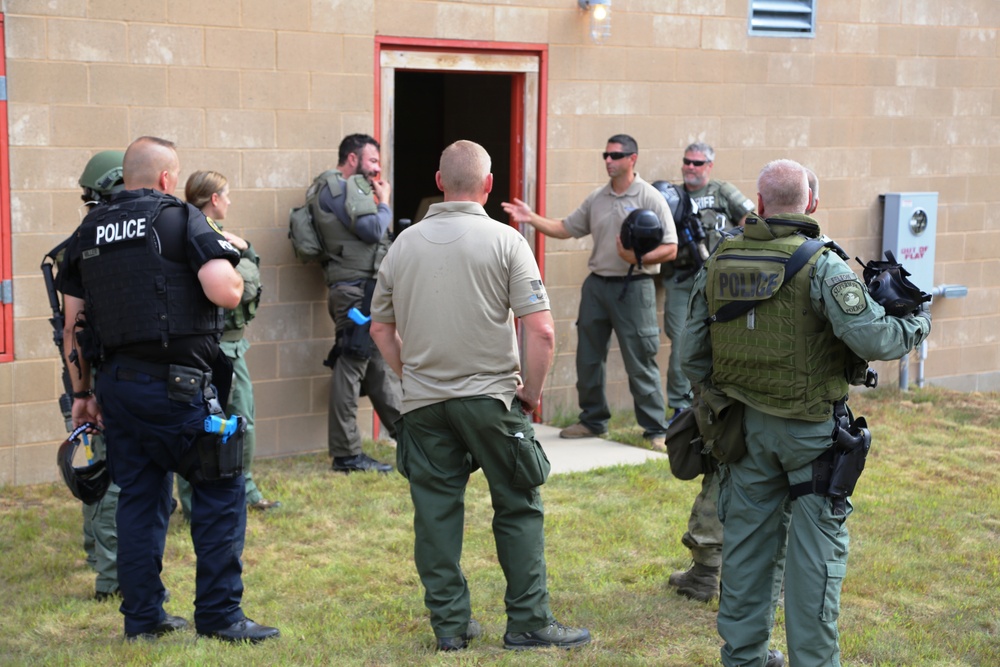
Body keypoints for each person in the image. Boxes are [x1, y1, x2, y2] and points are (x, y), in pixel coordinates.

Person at [681, 159, 931, 667]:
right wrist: (917, 325)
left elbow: (691, 356)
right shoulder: (823, 265)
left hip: (742, 434)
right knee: (815, 562)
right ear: (811, 202)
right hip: (810, 437)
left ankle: (744, 658)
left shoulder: (719, 260)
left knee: (747, 555)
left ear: (759, 199)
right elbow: (873, 337)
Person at [370, 140, 591, 652]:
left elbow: (381, 329)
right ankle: (529, 623)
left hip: (424, 405)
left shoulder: (403, 244)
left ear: (439, 181)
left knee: (435, 513)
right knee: (518, 503)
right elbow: (541, 331)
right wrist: (530, 394)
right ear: (489, 186)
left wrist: (413, 379)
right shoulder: (507, 241)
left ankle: (449, 627)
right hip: (492, 397)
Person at [59, 136, 280, 643]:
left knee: (138, 498)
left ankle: (143, 619)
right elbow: (225, 290)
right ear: (166, 179)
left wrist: (83, 396)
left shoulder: (88, 230)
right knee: (222, 490)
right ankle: (221, 616)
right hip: (180, 388)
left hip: (116, 389)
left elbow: (74, 327)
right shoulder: (180, 219)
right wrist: (237, 263)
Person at [501, 134, 677, 452]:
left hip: (634, 285)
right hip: (597, 285)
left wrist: (636, 259)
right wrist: (531, 218)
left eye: (615, 155)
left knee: (640, 358)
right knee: (588, 358)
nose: (608, 160)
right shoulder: (598, 197)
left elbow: (671, 248)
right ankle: (593, 420)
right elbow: (567, 228)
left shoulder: (650, 197)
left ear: (632, 158)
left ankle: (655, 429)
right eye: (605, 155)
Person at [663, 142, 756, 602]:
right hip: (739, 390)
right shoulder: (672, 196)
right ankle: (711, 573)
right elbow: (691, 352)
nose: (691, 169)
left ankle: (713, 574)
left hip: (745, 393)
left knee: (726, 471)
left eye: (698, 163)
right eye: (687, 162)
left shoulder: (731, 208)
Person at [176, 170, 279, 513]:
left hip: (232, 346)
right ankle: (196, 505)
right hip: (209, 349)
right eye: (227, 194)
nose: (231, 201)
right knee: (198, 425)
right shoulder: (201, 237)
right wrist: (248, 257)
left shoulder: (213, 235)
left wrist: (246, 249)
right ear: (215, 199)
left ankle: (242, 491)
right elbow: (243, 288)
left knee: (241, 421)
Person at [304, 133, 400, 473]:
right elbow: (374, 230)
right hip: (357, 290)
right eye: (372, 161)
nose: (376, 169)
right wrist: (384, 200)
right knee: (352, 363)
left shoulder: (324, 187)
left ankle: (411, 438)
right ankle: (346, 454)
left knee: (374, 365)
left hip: (354, 287)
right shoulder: (347, 186)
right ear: (352, 159)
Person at [63, 150, 126, 601]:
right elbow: (75, 327)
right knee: (111, 478)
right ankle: (112, 579)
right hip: (101, 372)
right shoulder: (103, 242)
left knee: (94, 466)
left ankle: (96, 554)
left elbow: (69, 329)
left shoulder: (82, 239)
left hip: (84, 371)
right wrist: (84, 392)